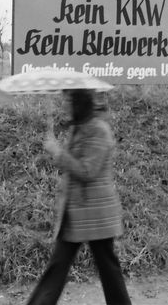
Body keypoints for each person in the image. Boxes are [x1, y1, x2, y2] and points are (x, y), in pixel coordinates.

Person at [26, 89, 131, 305]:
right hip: (76, 212)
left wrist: (57, 152)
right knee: (58, 266)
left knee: (108, 269)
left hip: (96, 214)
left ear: (79, 103)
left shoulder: (99, 130)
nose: (64, 106)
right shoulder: (79, 128)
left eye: (68, 101)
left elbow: (87, 171)